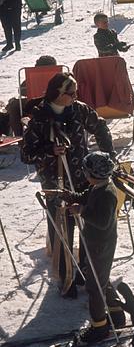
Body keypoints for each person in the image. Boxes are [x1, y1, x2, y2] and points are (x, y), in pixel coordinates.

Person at [21, 72, 116, 297]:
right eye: (70, 93)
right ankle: (66, 277)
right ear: (58, 94)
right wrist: (49, 151)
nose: (75, 97)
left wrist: (107, 156)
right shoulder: (40, 118)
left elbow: (100, 127)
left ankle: (85, 270)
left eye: (76, 93)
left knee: (87, 224)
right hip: (56, 181)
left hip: (84, 179)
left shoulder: (79, 110)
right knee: (62, 230)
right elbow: (26, 154)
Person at [58, 150, 126, 342]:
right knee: (100, 278)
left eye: (86, 172)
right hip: (95, 241)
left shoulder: (106, 193)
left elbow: (102, 220)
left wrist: (82, 211)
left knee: (94, 286)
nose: (84, 175)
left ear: (94, 174)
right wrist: (71, 196)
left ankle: (99, 326)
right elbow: (85, 197)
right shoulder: (98, 187)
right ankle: (116, 312)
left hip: (101, 243)